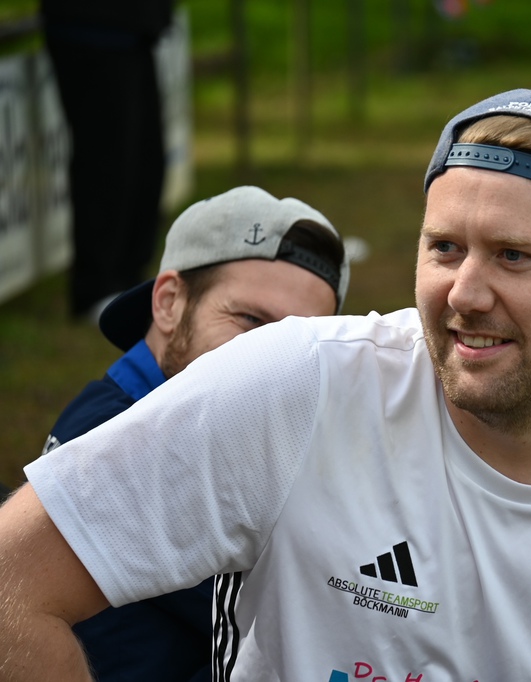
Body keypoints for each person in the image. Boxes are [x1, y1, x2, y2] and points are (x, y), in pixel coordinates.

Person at [0, 89, 531, 680]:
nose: (465, 292)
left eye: (514, 256)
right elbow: (13, 580)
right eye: (444, 249)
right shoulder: (297, 385)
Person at [30, 185, 351, 682]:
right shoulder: (120, 441)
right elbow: (310, 619)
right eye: (251, 320)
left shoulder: (143, 415)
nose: (273, 361)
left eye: (299, 342)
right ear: (169, 302)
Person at [40, 0, 175, 320]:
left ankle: (130, 281)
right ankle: (96, 289)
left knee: (145, 163)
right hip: (92, 26)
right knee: (106, 163)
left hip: (136, 30)